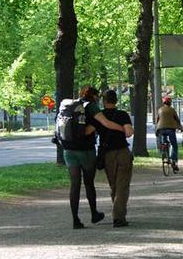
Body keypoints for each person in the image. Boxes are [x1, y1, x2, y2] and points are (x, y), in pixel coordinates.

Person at [57, 86, 131, 229]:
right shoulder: (91, 107)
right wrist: (122, 129)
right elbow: (107, 123)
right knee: (89, 183)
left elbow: (84, 129)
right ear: (95, 97)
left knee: (75, 184)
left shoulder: (71, 106)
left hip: (68, 150)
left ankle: (76, 220)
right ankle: (95, 213)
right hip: (86, 151)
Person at [96, 90, 134, 228]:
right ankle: (118, 217)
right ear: (116, 100)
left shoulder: (99, 116)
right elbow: (129, 133)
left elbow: (90, 131)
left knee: (114, 186)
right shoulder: (122, 114)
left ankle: (118, 214)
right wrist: (122, 129)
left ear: (104, 101)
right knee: (122, 186)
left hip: (107, 154)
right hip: (123, 152)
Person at [156, 97, 183, 173]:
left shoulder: (160, 110)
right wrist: (181, 127)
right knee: (174, 145)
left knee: (164, 141)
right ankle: (174, 161)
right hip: (170, 129)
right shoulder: (172, 110)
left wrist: (157, 130)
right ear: (170, 103)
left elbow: (157, 120)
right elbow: (177, 119)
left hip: (161, 129)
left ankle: (164, 150)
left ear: (163, 103)